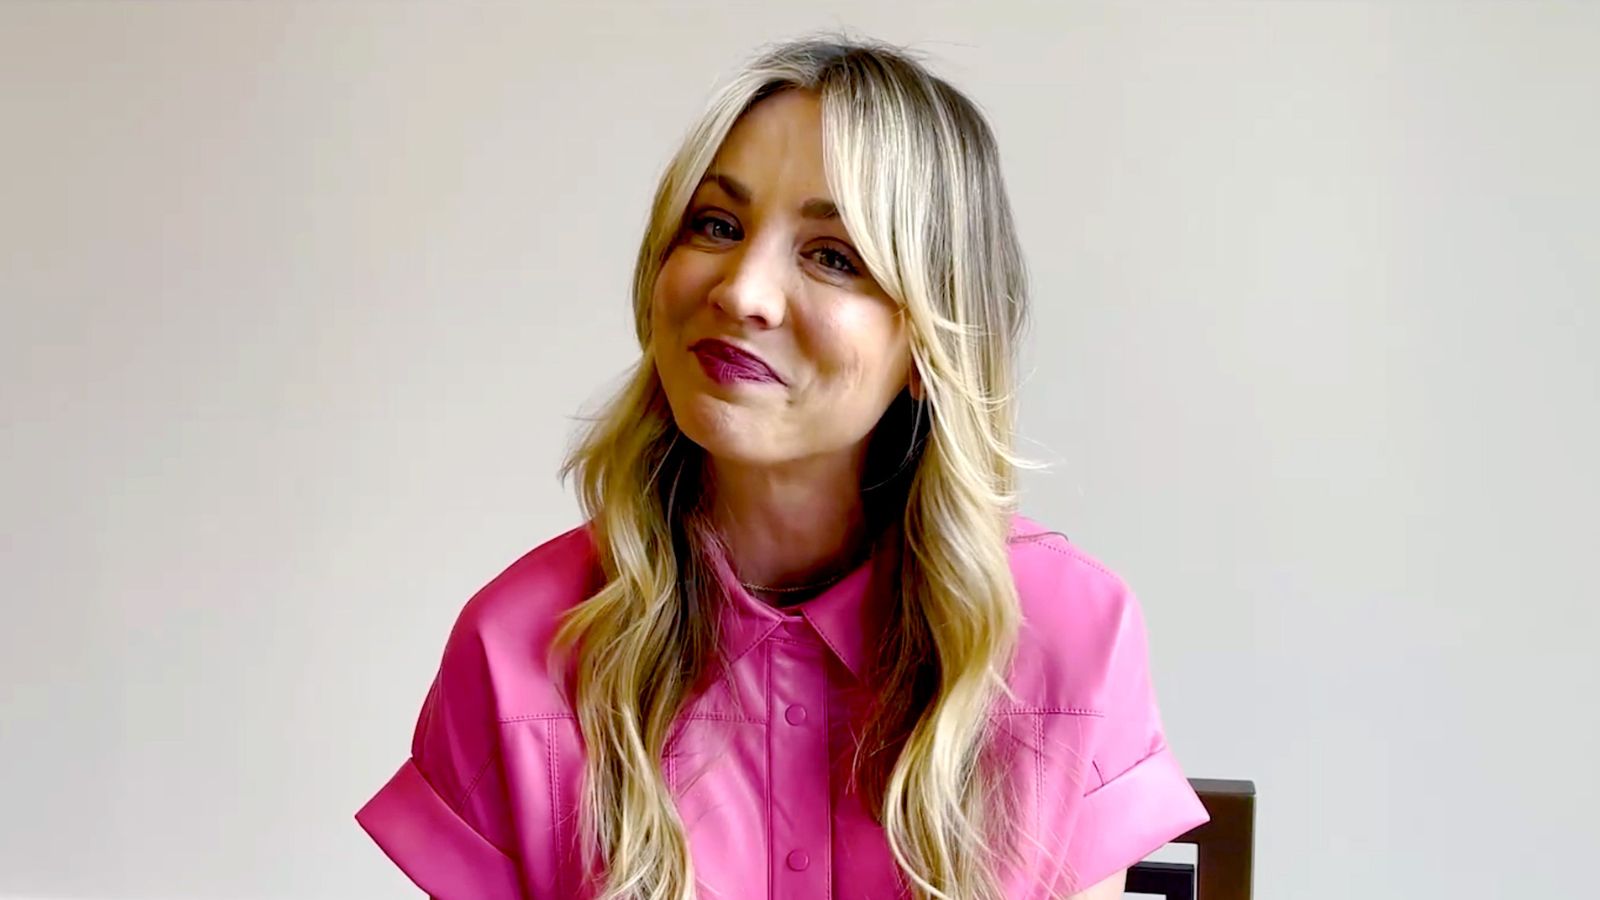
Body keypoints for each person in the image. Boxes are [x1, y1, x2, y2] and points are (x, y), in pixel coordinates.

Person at [355, 34, 1207, 900]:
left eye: (833, 256)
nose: (741, 292)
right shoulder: (517, 649)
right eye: (717, 226)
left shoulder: (1069, 634)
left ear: (929, 343)